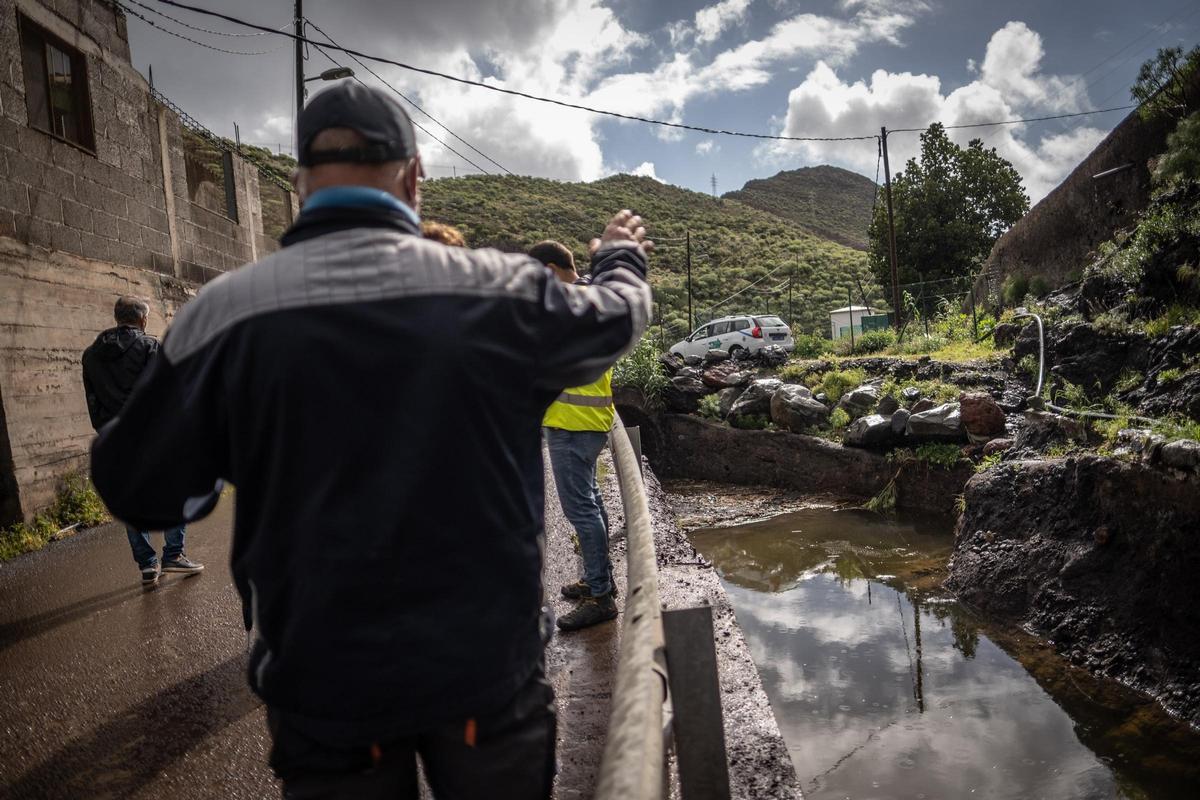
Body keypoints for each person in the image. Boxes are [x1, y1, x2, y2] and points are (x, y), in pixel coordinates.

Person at [90, 81, 651, 799]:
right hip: (483, 673)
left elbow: (139, 486)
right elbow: (615, 319)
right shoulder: (502, 290)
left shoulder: (222, 314)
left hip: (325, 689)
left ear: (298, 185)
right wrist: (620, 255)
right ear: (414, 177)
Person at [81, 297, 203, 586]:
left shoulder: (90, 355)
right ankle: (173, 554)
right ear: (143, 320)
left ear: (117, 317)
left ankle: (148, 565)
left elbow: (92, 400)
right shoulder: (151, 347)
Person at [531, 241, 619, 632]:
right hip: (592, 421)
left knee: (580, 509)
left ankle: (599, 596)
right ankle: (599, 578)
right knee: (593, 503)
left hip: (571, 421)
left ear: (549, 270)